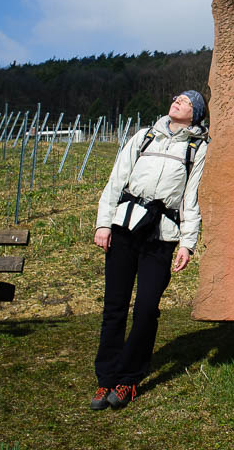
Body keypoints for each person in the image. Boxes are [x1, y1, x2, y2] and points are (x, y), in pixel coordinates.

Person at [89, 91, 209, 410]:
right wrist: (103, 223)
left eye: (185, 101)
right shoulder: (144, 137)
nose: (177, 101)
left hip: (162, 234)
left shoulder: (197, 148)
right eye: (176, 98)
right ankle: (106, 380)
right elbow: (116, 181)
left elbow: (190, 199)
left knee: (145, 310)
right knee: (114, 306)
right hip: (124, 226)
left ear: (195, 113)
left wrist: (187, 243)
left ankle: (128, 380)